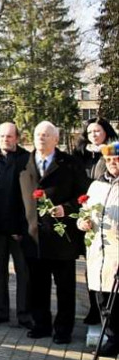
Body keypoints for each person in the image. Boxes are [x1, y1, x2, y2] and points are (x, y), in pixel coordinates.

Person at [20, 121, 88, 344]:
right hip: (34, 237)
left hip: (62, 239)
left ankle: (63, 329)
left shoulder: (69, 164)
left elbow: (84, 198)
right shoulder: (24, 163)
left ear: (56, 140)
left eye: (47, 135)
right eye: (38, 134)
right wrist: (17, 229)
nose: (41, 138)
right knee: (38, 287)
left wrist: (66, 209)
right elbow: (14, 199)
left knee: (65, 288)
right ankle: (41, 324)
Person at [0, 122, 32, 327]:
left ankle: (25, 314)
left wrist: (21, 228)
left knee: (24, 273)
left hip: (19, 229)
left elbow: (29, 198)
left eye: (10, 136)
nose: (6, 139)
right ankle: (0, 311)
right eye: (2, 136)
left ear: (17, 138)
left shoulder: (27, 160)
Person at [74, 117, 118, 325]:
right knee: (94, 271)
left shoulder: (111, 153)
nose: (93, 135)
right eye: (90, 131)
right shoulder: (81, 157)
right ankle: (98, 314)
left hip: (112, 231)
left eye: (97, 131)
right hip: (91, 227)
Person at [78, 144, 119, 357]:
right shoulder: (96, 186)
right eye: (110, 160)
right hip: (97, 251)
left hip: (116, 252)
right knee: (102, 298)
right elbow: (84, 212)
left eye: (118, 160)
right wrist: (82, 222)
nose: (114, 164)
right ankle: (112, 339)